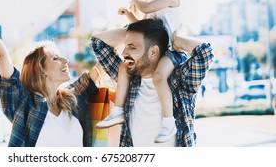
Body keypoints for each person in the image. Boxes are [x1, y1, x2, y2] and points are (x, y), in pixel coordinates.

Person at [0, 0, 100, 147]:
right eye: (56, 58)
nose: (65, 60)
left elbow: (106, 60)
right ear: (42, 70)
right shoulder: (24, 103)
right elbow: (1, 54)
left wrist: (132, 26)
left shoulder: (73, 98)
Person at [96, 0, 186, 143]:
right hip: (158, 49)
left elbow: (144, 7)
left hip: (172, 51)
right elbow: (142, 30)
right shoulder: (153, 0)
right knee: (123, 69)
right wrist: (129, 14)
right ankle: (118, 110)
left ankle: (169, 122)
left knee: (159, 77)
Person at [91, 18, 213, 146]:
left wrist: (174, 39)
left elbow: (204, 53)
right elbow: (98, 43)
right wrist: (136, 29)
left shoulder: (180, 80)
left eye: (132, 47)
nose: (124, 52)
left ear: (153, 51)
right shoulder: (128, 80)